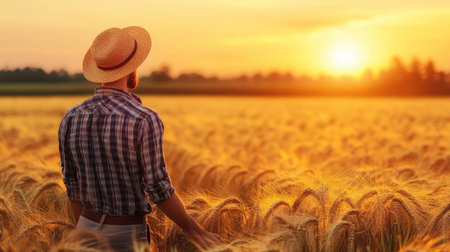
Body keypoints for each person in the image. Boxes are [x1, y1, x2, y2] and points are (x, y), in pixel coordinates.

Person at [58, 26, 221, 251]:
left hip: (85, 227)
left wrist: (84, 232)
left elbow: (72, 185)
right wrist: (195, 230)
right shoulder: (144, 118)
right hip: (126, 235)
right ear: (132, 68)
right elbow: (158, 187)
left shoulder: (71, 116)